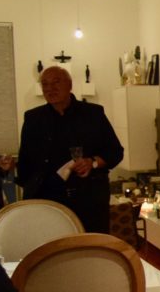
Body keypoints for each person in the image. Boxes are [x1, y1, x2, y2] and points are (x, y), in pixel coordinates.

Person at [16, 66, 123, 233]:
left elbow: (115, 152)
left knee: (90, 250)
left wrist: (92, 163)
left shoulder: (93, 114)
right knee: (50, 250)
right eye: (45, 84)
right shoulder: (33, 118)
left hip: (88, 198)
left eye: (56, 82)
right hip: (47, 198)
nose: (50, 89)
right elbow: (25, 162)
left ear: (70, 85)